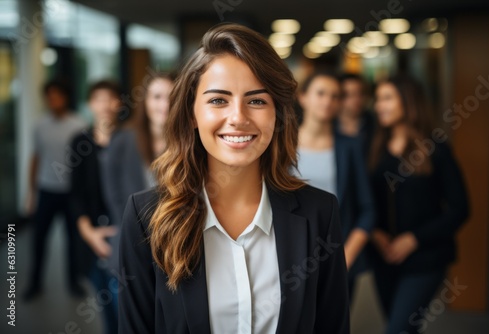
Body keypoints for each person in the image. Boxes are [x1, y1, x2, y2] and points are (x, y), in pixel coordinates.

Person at [118, 23, 349, 334]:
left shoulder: (320, 213)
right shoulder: (147, 217)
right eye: (218, 100)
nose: (238, 117)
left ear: (277, 114)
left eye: (256, 100)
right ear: (191, 114)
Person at [368, 75, 469, 334]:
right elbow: (366, 201)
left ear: (408, 102)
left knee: (397, 329)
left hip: (425, 258)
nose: (380, 105)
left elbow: (460, 208)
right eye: (378, 99)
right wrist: (376, 234)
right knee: (401, 328)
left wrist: (413, 239)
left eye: (387, 98)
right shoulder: (373, 147)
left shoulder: (436, 149)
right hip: (384, 257)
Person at [297, 71, 375, 299]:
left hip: (337, 255)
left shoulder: (349, 147)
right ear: (303, 97)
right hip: (290, 254)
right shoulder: (281, 144)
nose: (328, 101)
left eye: (335, 96)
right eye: (321, 93)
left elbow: (368, 209)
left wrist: (347, 255)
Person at [101, 72, 175, 276]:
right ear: (145, 101)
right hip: (131, 238)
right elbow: (112, 192)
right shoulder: (123, 140)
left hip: (174, 244)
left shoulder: (187, 142)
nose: (165, 104)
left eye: (171, 96)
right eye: (157, 97)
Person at [24, 79, 87, 301]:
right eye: (49, 96)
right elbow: (36, 158)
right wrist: (31, 193)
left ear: (66, 97)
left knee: (73, 241)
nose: (53, 100)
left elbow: (85, 165)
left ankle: (74, 283)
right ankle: (35, 283)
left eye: (57, 95)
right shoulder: (40, 125)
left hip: (71, 193)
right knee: (39, 240)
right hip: (46, 191)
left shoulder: (78, 125)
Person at [70, 80, 123, 334]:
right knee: (103, 297)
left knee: (121, 303)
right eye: (98, 99)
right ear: (90, 105)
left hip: (123, 233)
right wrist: (88, 233)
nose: (104, 105)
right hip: (91, 234)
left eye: (110, 98)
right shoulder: (79, 142)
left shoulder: (130, 140)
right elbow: (75, 192)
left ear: (119, 103)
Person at [336, 73, 375, 158]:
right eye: (349, 95)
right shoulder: (328, 126)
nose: (356, 99)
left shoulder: (376, 125)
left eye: (360, 94)